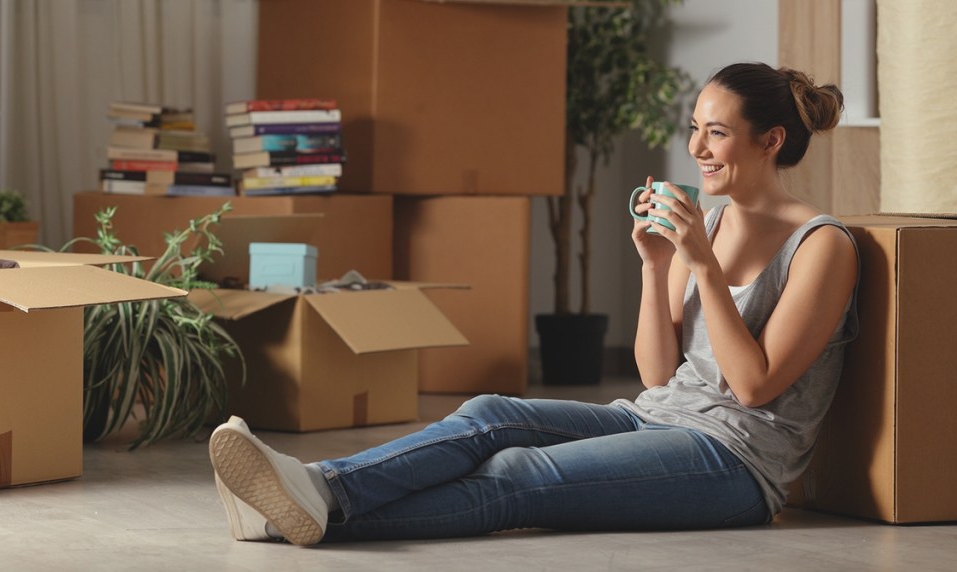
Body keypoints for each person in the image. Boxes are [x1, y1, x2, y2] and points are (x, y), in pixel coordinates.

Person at [207, 61, 859, 546]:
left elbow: (751, 386)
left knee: (517, 475)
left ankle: (290, 514)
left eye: (716, 133)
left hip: (735, 465)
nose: (696, 150)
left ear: (770, 141)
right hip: (658, 416)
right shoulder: (713, 226)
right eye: (694, 129)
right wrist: (653, 266)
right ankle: (317, 489)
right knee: (492, 415)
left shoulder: (821, 246)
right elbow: (658, 375)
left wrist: (701, 267)